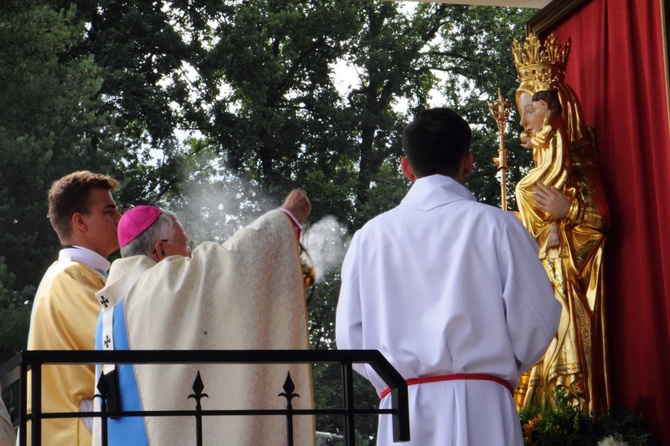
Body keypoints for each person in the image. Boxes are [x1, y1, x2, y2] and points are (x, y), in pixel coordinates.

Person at [335, 107, 561, 445]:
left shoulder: (369, 238)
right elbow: (537, 320)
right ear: (468, 162)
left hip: (402, 412)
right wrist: (496, 366)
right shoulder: (499, 227)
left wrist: (394, 378)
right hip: (484, 407)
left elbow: (351, 340)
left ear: (406, 168)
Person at [92, 190, 315, 446]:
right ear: (160, 248)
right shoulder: (159, 286)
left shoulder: (111, 304)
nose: (189, 254)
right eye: (185, 244)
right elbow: (228, 265)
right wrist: (285, 217)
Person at [512, 33, 611, 416]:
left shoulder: (580, 170)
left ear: (555, 115)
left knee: (565, 348)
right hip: (538, 277)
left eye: (531, 110)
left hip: (567, 277)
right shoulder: (534, 178)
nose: (524, 121)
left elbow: (599, 221)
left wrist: (567, 211)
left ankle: (573, 415)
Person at [25, 171, 120, 446]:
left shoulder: (80, 274)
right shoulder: (71, 276)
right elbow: (118, 339)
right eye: (109, 211)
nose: (120, 219)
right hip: (73, 434)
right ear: (80, 221)